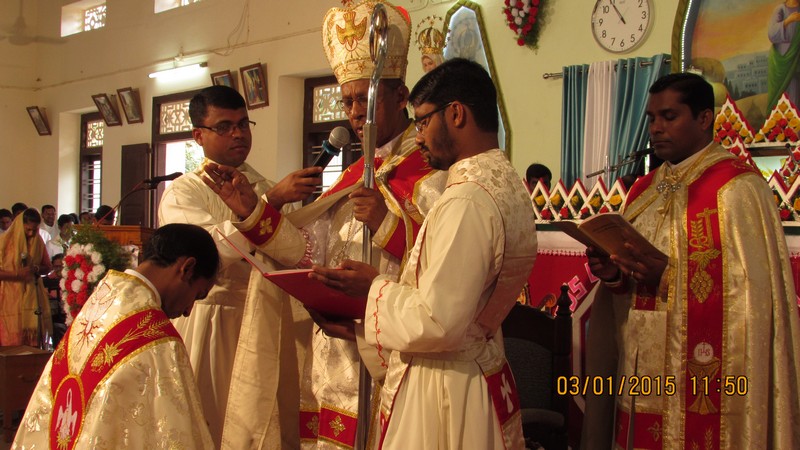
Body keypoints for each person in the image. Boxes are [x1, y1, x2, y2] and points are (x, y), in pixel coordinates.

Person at [201, 2, 446, 447]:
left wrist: (387, 224)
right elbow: (308, 251)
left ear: (400, 96)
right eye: (347, 100)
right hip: (336, 350)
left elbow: (444, 264)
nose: (354, 112)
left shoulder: (432, 171)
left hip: (391, 348)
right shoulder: (352, 175)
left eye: (365, 98)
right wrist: (253, 212)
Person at [309, 58, 536, 449]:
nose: (418, 137)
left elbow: (438, 322)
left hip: (444, 387)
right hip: (476, 364)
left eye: (424, 122)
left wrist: (371, 290)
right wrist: (363, 329)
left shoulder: (467, 200)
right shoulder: (504, 184)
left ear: (456, 114)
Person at [581, 73, 800, 449]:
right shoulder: (643, 189)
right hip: (641, 369)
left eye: (669, 116)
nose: (656, 128)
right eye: (651, 118)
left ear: (703, 118)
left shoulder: (737, 188)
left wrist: (669, 276)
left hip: (703, 376)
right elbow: (628, 291)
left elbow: (752, 297)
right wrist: (615, 274)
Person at [158, 84, 321, 448]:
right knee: (214, 422)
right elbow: (205, 252)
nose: (238, 134)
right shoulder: (184, 191)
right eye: (224, 126)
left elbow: (295, 251)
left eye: (243, 124)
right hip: (215, 321)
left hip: (268, 319)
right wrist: (269, 204)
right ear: (198, 136)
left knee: (265, 424)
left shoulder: (266, 185)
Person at [12, 223, 219, 449]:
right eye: (197, 295)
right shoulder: (159, 339)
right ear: (187, 268)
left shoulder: (98, 304)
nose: (188, 311)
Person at [0, 208, 52, 347]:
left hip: (32, 294)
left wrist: (35, 268)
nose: (31, 233)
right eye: (28, 229)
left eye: (34, 230)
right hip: (9, 297)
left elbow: (48, 266)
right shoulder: (4, 242)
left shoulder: (38, 241)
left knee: (32, 343)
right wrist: (17, 274)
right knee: (12, 341)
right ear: (19, 225)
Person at [767, 0, 800, 112]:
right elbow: (771, 34)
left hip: (797, 58)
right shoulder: (781, 9)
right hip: (782, 60)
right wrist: (788, 20)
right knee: (785, 96)